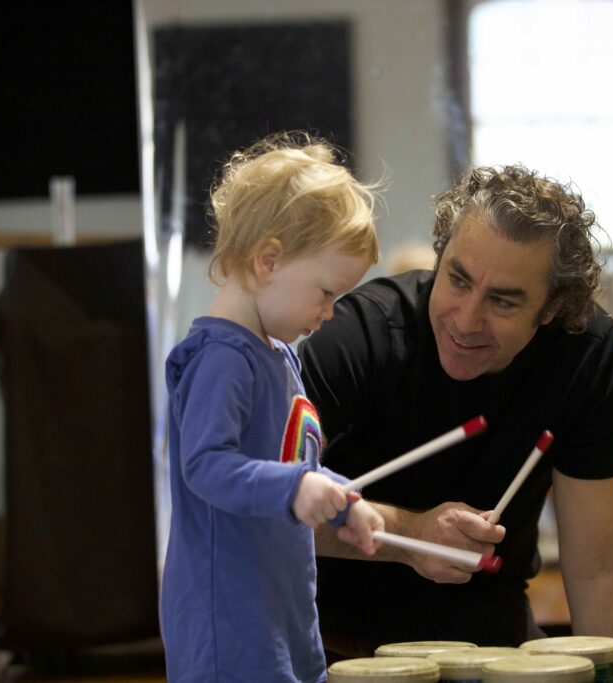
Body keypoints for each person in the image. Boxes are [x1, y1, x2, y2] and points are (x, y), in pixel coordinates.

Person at [300, 164, 613, 681]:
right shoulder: (358, 337)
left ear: (552, 307)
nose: (465, 320)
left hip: (492, 633)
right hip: (335, 634)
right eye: (457, 280)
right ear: (439, 257)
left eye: (502, 301)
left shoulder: (584, 357)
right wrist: (409, 533)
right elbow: (263, 508)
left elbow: (600, 566)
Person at [159, 133, 385, 683]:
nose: (330, 313)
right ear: (268, 262)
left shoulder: (278, 353)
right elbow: (206, 466)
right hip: (229, 621)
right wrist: (298, 488)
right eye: (326, 292)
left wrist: (338, 497)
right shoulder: (222, 358)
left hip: (279, 606)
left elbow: (287, 465)